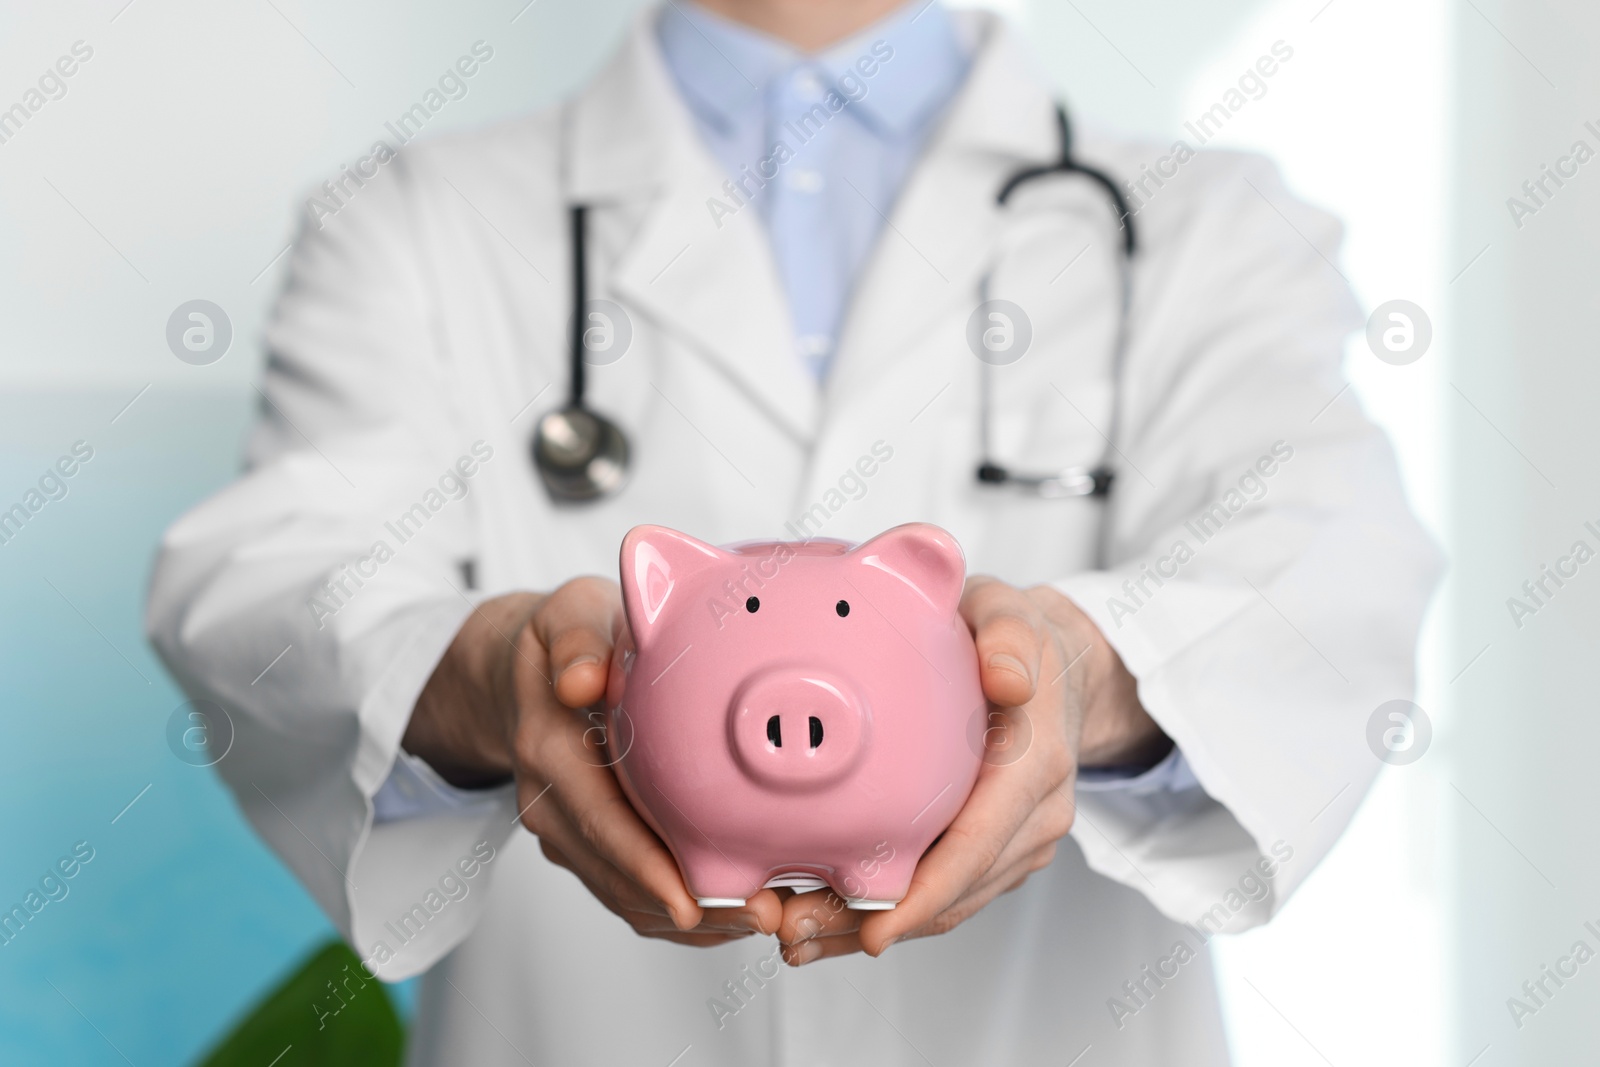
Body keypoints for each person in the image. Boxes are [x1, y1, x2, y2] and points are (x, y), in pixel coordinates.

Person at [147, 1, 1439, 1063]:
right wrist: (483, 680)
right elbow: (265, 587)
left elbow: (1330, 559)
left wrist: (1084, 672)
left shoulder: (1207, 225)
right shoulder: (413, 221)